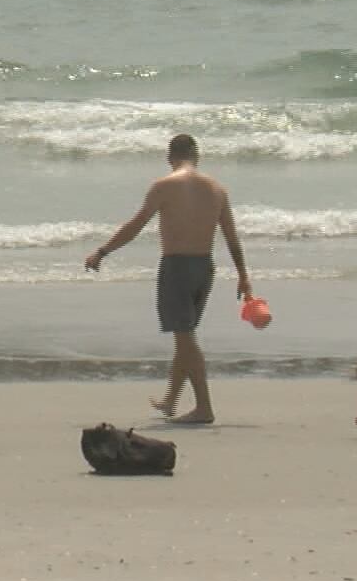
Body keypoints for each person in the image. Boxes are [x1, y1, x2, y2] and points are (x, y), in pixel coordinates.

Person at [84, 134, 253, 426]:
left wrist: (103, 251)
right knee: (183, 335)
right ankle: (171, 401)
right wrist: (243, 277)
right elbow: (232, 238)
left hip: (177, 267)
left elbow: (135, 226)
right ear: (196, 155)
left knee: (186, 337)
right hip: (204, 268)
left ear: (169, 157)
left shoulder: (164, 186)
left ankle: (204, 408)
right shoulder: (216, 189)